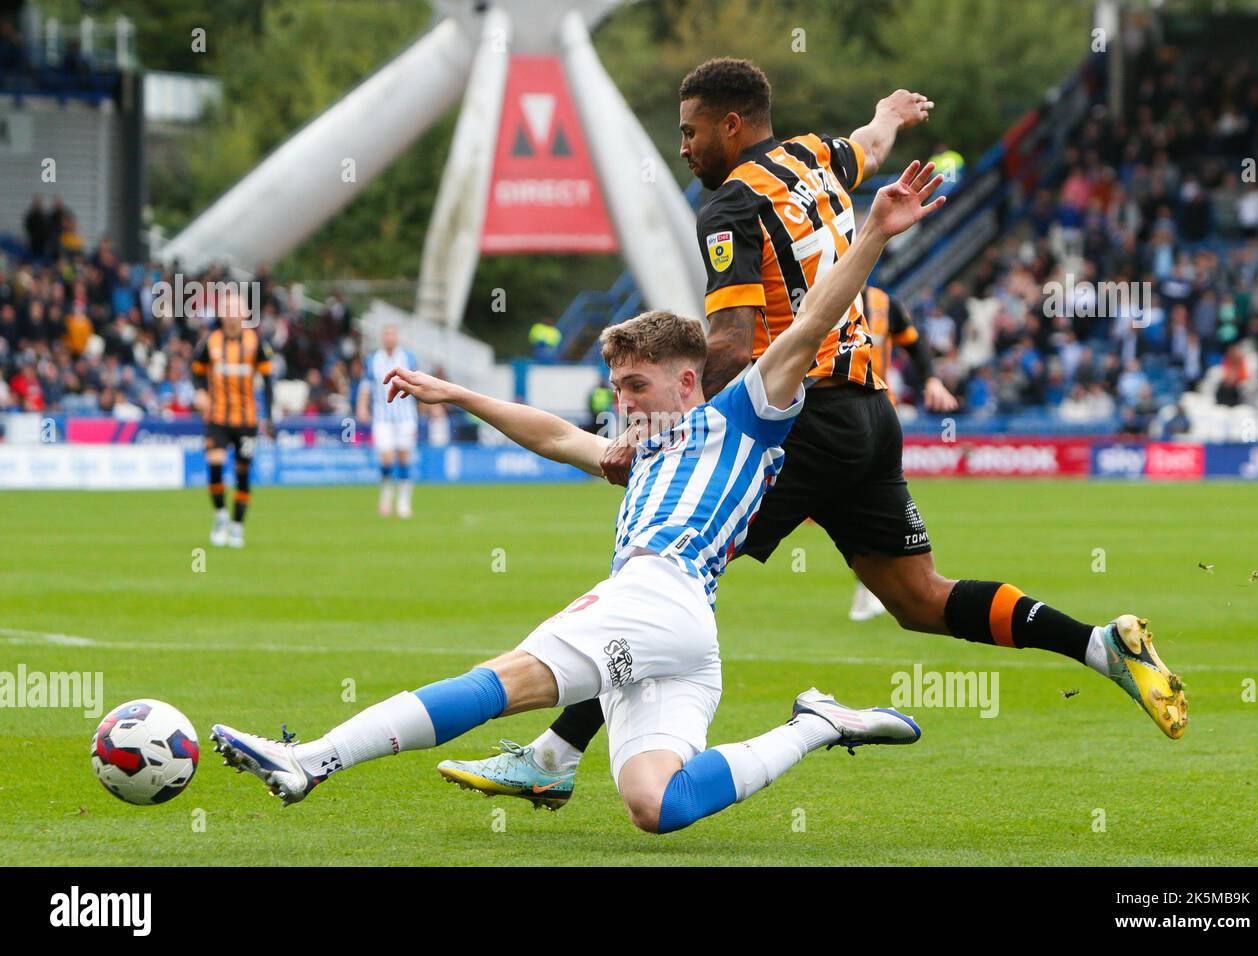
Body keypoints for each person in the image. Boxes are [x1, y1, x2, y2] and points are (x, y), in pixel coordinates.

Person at [446, 57, 1186, 811]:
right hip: (868, 415)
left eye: (690, 132)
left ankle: (551, 754)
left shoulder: (730, 208)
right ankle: (1100, 645)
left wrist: (660, 424)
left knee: (664, 572)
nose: (684, 148)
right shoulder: (811, 156)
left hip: (802, 419)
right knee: (919, 598)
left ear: (730, 125)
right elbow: (865, 148)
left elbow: (731, 345)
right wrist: (890, 114)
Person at [208, 160, 945, 833]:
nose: (621, 401)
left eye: (637, 384)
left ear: (688, 380)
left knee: (498, 681)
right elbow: (558, 438)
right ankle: (814, 724)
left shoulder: (744, 413)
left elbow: (812, 320)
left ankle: (313, 760)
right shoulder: (645, 449)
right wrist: (457, 392)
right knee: (658, 805)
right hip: (687, 639)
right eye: (617, 386)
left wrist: (875, 229)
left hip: (660, 594)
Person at [850, 284, 959, 621]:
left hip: (881, 413)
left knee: (873, 503)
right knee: (862, 505)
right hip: (840, 416)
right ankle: (878, 587)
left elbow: (914, 345)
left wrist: (931, 379)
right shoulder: (821, 292)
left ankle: (874, 588)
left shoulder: (885, 304)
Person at [191, 287, 276, 549]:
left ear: (245, 314)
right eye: (227, 310)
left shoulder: (255, 343)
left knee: (242, 473)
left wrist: (269, 417)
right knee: (214, 466)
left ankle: (238, 526)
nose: (231, 315)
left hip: (247, 420)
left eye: (236, 310)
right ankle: (220, 516)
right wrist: (200, 392)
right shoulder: (210, 342)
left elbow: (268, 381)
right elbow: (196, 371)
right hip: (217, 417)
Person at [357, 324, 420, 518]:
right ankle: (386, 495)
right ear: (382, 338)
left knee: (403, 458)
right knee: (386, 458)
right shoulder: (373, 359)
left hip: (405, 417)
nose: (389, 338)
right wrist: (361, 406)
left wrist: (430, 407)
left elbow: (420, 384)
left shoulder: (408, 358)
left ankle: (403, 500)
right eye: (386, 334)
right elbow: (366, 385)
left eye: (393, 334)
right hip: (382, 417)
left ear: (397, 337)